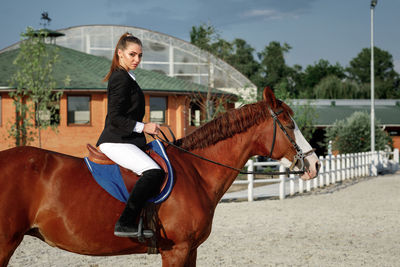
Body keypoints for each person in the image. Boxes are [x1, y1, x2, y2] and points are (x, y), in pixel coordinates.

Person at [96, 33, 165, 238]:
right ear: (120, 54)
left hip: (127, 140)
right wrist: (143, 127)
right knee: (154, 173)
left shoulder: (128, 77)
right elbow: (115, 118)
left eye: (140, 55)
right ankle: (125, 223)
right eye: (132, 54)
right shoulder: (120, 78)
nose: (136, 60)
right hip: (115, 141)